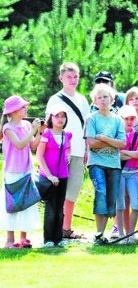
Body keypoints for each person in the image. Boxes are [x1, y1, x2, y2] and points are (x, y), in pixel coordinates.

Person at [45, 62, 91, 240]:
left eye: (75, 76)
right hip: (57, 152)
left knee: (73, 190)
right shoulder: (55, 100)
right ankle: (53, 229)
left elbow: (87, 128)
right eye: (69, 77)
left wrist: (88, 149)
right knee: (56, 191)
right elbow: (49, 126)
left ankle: (66, 229)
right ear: (61, 78)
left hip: (79, 150)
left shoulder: (82, 100)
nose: (73, 80)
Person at [85, 83, 126, 245]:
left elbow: (122, 143)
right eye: (99, 97)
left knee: (111, 199)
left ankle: (102, 234)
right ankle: (99, 233)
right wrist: (112, 143)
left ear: (112, 99)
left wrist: (104, 138)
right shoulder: (91, 118)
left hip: (114, 165)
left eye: (105, 97)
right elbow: (91, 142)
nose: (103, 100)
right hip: (96, 163)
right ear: (94, 101)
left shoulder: (118, 120)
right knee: (100, 192)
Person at [0, 95, 43, 248]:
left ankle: (23, 238)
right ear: (13, 111)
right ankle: (10, 240)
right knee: (12, 205)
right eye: (22, 107)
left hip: (26, 169)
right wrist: (33, 130)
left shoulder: (26, 125)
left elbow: (32, 146)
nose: (26, 109)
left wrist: (38, 133)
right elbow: (19, 144)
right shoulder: (8, 128)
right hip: (13, 171)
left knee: (26, 203)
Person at [36, 104, 72, 248]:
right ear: (51, 117)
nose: (60, 119)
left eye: (63, 116)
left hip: (63, 175)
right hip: (48, 177)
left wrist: (68, 156)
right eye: (57, 116)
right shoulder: (46, 134)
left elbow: (68, 149)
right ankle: (48, 239)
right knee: (50, 209)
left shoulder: (67, 134)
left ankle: (59, 238)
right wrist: (49, 175)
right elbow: (39, 156)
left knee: (60, 209)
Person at [115, 105, 138, 243]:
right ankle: (121, 235)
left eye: (132, 118)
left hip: (133, 173)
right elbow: (116, 156)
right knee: (120, 205)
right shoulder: (117, 134)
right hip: (120, 172)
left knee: (135, 205)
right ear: (121, 119)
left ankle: (131, 234)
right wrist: (128, 155)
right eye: (126, 118)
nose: (129, 121)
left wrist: (124, 153)